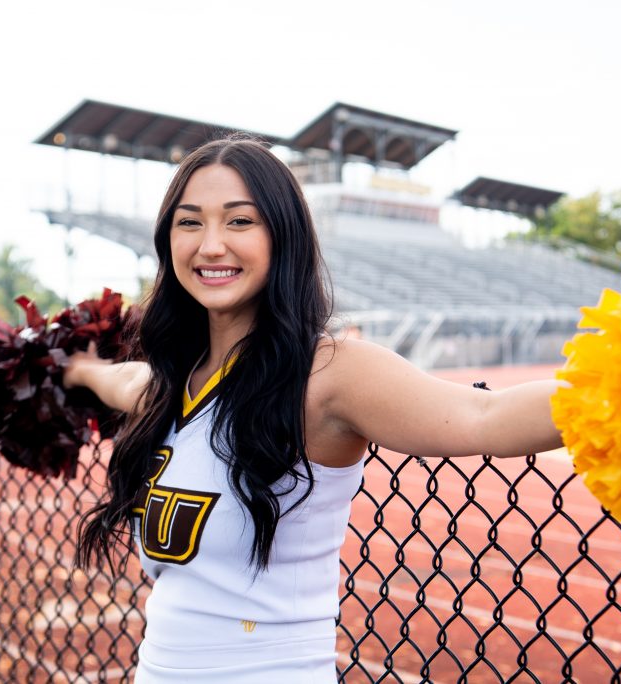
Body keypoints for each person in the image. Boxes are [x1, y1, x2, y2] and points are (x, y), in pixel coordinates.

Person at [64, 135, 564, 683]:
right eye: (189, 222)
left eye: (239, 222)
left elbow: (482, 417)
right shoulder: (168, 385)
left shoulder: (327, 373)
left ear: (284, 236)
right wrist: (75, 369)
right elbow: (119, 379)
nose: (210, 246)